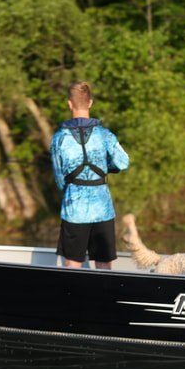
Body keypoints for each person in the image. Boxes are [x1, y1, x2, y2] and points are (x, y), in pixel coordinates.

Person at [51, 81, 129, 269]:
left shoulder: (59, 138)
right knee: (103, 263)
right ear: (90, 103)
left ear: (69, 104)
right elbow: (123, 162)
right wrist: (106, 167)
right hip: (102, 208)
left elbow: (59, 179)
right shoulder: (105, 135)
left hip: (74, 209)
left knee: (72, 263)